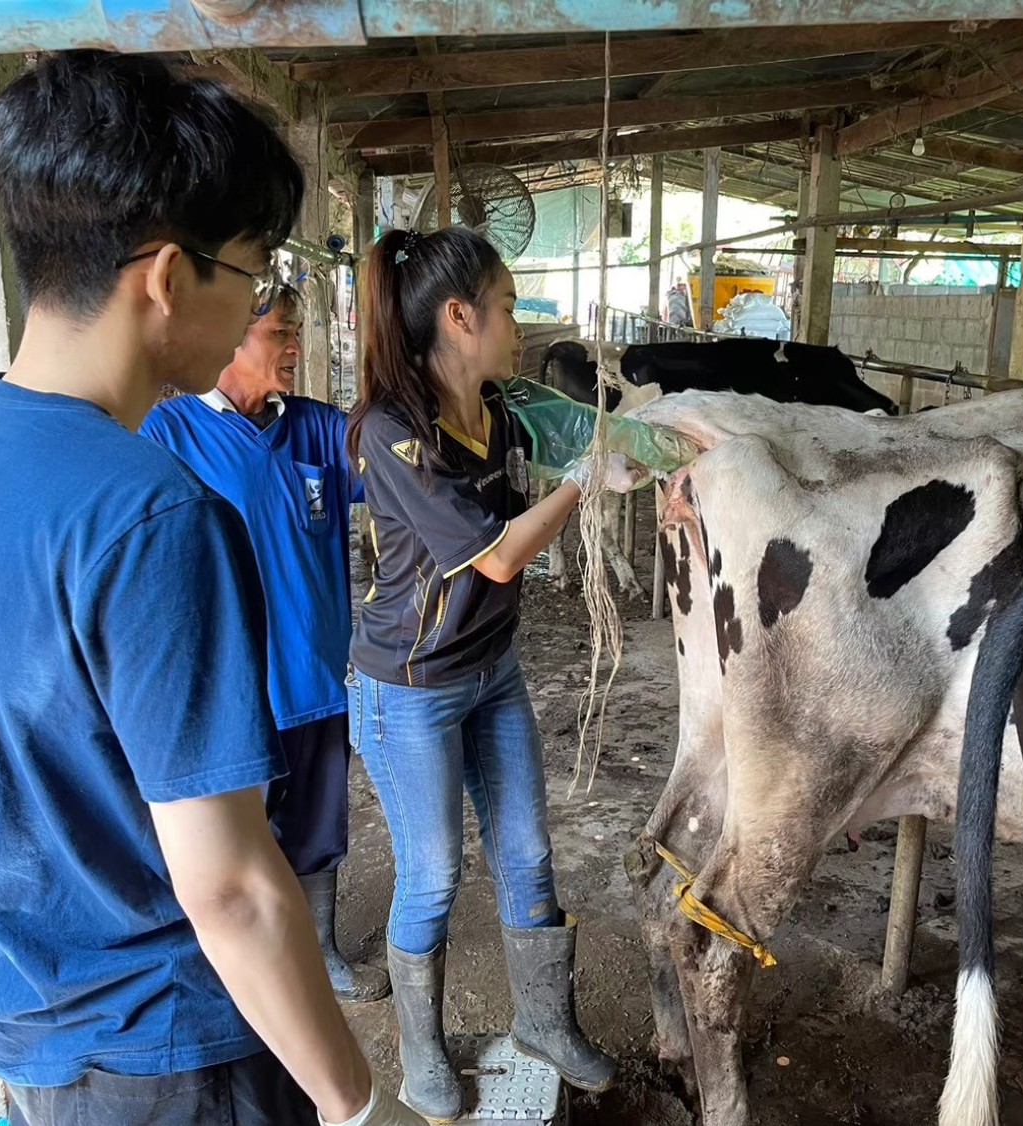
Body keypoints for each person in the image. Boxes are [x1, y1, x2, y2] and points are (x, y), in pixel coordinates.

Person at [0, 52, 420, 1126]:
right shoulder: (157, 514)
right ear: (168, 277)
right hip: (170, 1056)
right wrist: (352, 1099)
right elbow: (232, 887)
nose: (260, 308)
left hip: (22, 1026)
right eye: (253, 273)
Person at [345, 226, 636, 1122]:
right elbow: (502, 557)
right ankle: (421, 1048)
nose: (520, 325)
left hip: (490, 668)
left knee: (528, 850)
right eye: (508, 307)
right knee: (433, 874)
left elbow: (592, 439)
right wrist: (586, 481)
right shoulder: (392, 431)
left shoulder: (501, 407)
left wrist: (649, 450)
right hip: (409, 688)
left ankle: (544, 1023)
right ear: (459, 317)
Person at [140, 286, 389, 1003]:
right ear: (231, 335)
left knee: (316, 829)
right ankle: (236, 977)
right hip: (230, 690)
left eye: (297, 330)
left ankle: (318, 955)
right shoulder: (169, 434)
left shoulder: (320, 430)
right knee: (228, 844)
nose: (295, 346)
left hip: (316, 680)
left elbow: (395, 476)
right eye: (280, 332)